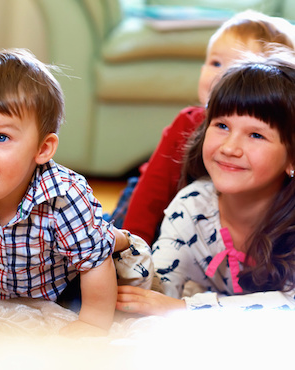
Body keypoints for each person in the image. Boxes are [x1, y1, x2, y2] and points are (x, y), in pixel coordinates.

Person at [0, 49, 153, 336]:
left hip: (62, 295)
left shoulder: (64, 195)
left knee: (115, 282)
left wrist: (92, 323)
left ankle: (114, 236)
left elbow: (94, 265)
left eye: (1, 137)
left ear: (42, 149)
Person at [116, 54, 295, 315]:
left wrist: (187, 308)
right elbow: (158, 292)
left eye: (256, 134)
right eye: (222, 125)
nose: (230, 147)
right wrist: (123, 250)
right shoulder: (192, 206)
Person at [116, 10, 295, 246]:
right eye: (216, 63)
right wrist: (132, 251)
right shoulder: (188, 123)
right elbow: (151, 196)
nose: (222, 76)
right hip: (156, 204)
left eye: (242, 68)